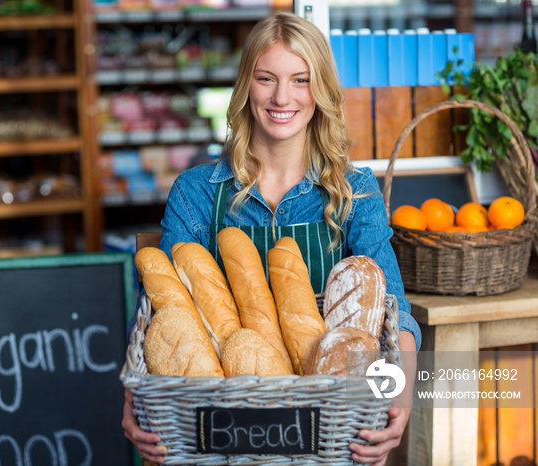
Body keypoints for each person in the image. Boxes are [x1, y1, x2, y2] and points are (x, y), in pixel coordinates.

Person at [122, 11, 420, 466]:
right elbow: (159, 319)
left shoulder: (354, 192)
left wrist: (399, 398)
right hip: (220, 434)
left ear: (320, 92)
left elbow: (393, 314)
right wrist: (136, 398)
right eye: (267, 78)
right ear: (246, 86)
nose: (283, 97)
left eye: (300, 80)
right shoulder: (198, 192)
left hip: (326, 433)